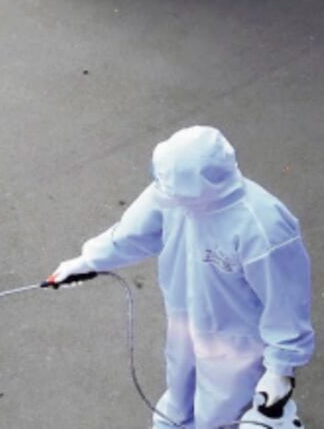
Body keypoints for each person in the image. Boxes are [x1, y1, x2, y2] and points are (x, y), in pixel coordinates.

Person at [49, 126, 314, 427]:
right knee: (180, 393)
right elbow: (131, 233)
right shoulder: (173, 193)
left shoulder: (263, 229)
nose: (160, 190)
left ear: (197, 191)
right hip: (184, 322)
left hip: (237, 342)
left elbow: (286, 305)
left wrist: (280, 370)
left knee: (226, 410)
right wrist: (87, 261)